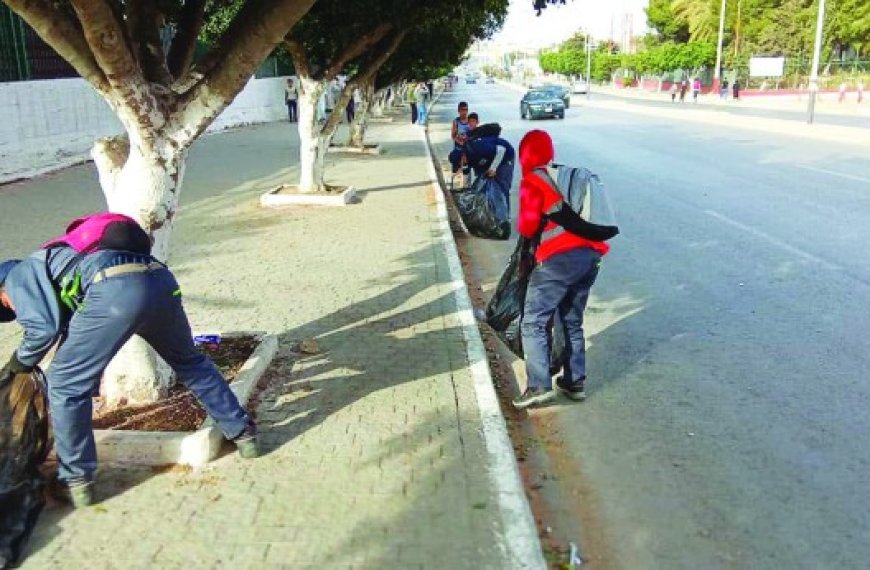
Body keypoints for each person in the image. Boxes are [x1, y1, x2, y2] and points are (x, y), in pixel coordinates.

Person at [0, 216, 258, 507]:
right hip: (160, 281)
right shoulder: (64, 263)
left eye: (6, 306)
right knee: (191, 362)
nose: (12, 309)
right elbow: (75, 336)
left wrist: (19, 363)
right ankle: (244, 433)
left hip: (115, 291)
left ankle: (76, 480)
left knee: (64, 385)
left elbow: (42, 328)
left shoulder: (19, 274)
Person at [512, 130, 619, 409]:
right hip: (591, 258)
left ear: (525, 154)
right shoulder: (565, 175)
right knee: (571, 319)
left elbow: (526, 226)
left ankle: (538, 385)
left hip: (557, 261)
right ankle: (574, 382)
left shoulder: (533, 180)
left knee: (534, 320)